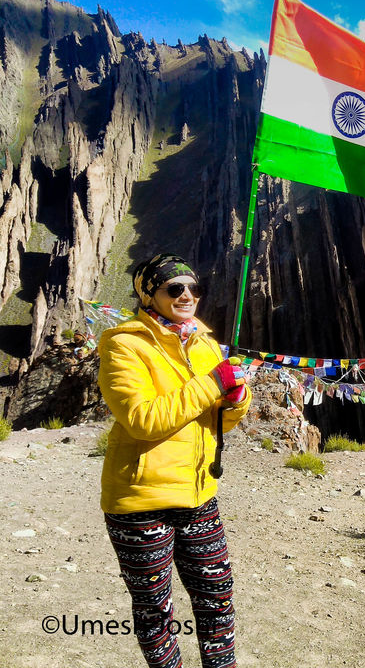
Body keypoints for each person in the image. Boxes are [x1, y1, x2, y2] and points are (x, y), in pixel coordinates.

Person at [98, 253, 251, 668]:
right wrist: (212, 385)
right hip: (141, 501)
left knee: (218, 599)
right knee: (155, 612)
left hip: (199, 492)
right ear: (148, 293)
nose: (187, 295)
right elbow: (141, 419)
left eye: (194, 288)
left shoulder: (205, 342)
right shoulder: (123, 345)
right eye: (174, 288)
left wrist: (235, 400)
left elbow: (218, 421)